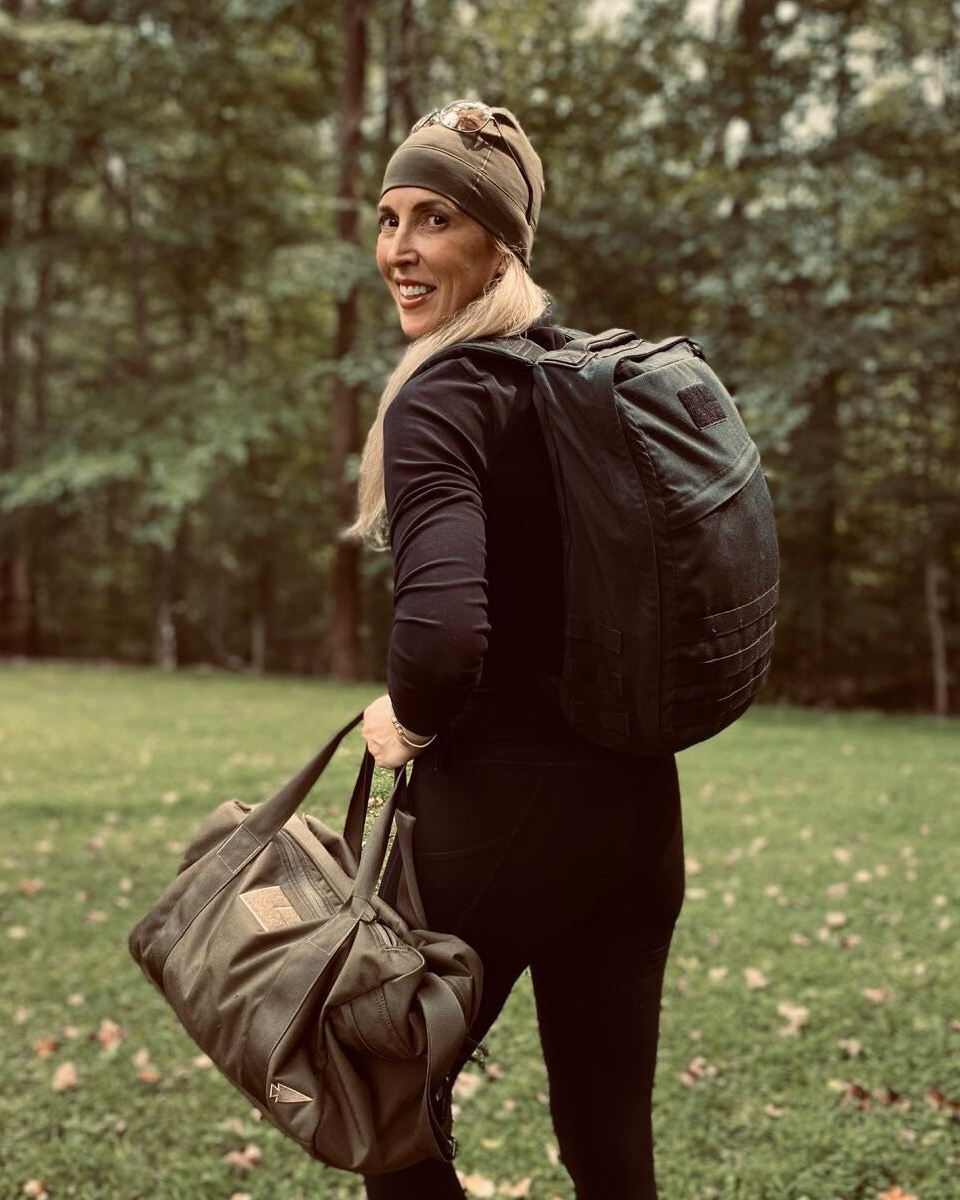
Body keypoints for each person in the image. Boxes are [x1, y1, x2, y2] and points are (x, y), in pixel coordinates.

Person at [347, 100, 685, 1200]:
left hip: (503, 816)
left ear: (500, 243)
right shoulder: (590, 383)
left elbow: (443, 640)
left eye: (434, 218)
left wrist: (406, 716)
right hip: (638, 817)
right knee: (608, 1137)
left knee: (387, 1113)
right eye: (389, 217)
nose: (399, 247)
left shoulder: (449, 393)